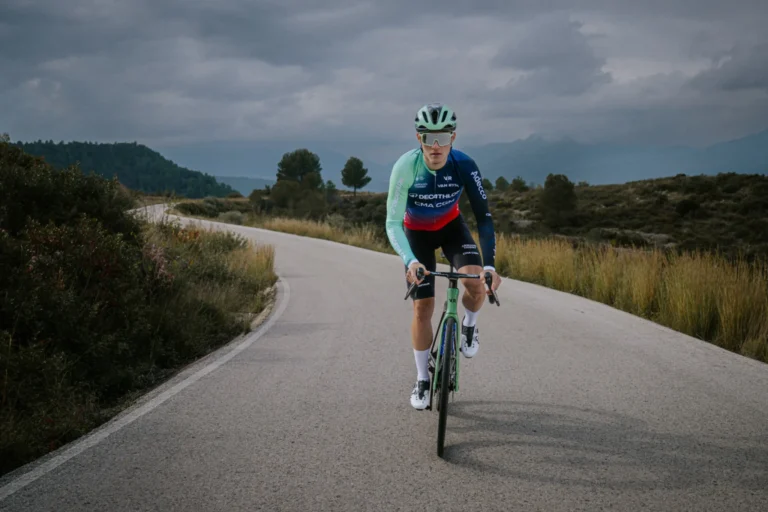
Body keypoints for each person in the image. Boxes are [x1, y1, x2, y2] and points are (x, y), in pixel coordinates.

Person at [385, 103, 501, 410]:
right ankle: (423, 378)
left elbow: (484, 219)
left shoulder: (464, 165)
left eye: (443, 136)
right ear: (418, 138)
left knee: (477, 284)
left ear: (453, 137)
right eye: (429, 137)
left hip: (452, 229)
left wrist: (489, 266)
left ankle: (469, 324)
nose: (436, 145)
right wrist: (410, 262)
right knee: (423, 307)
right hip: (416, 234)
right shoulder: (406, 167)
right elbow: (393, 222)